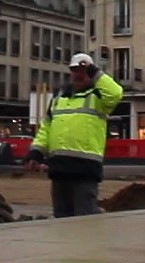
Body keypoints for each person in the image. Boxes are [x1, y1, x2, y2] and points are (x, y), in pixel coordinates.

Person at [25, 53, 124, 217]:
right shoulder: (59, 99)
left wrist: (96, 73)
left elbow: (115, 93)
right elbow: (46, 128)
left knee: (84, 218)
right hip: (60, 168)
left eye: (83, 70)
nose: (79, 74)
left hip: (85, 169)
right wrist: (36, 151)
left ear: (91, 73)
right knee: (61, 217)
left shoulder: (98, 97)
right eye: (75, 70)